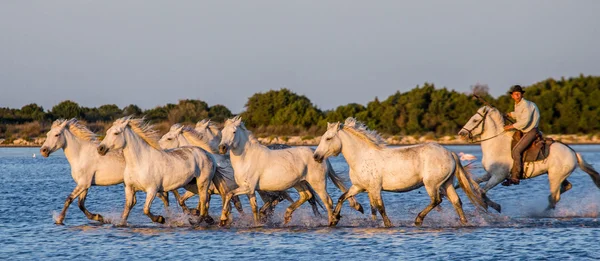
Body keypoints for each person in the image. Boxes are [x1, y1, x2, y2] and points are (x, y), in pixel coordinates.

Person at [502, 85, 540, 186]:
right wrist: (509, 114)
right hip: (524, 130)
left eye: (519, 94)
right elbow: (519, 114)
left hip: (530, 130)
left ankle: (515, 177)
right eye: (515, 94)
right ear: (512, 96)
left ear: (522, 94)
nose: (517, 95)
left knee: (516, 151)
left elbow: (525, 121)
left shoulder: (526, 105)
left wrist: (510, 126)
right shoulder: (518, 105)